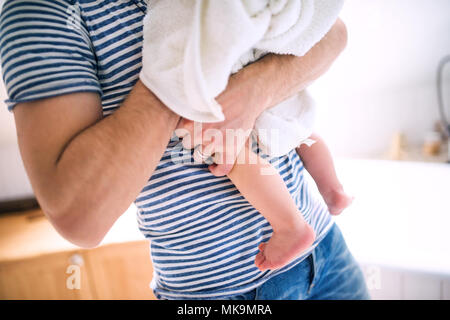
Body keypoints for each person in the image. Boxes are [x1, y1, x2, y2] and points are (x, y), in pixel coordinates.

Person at [0, 0, 369, 300]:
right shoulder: (41, 12)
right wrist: (184, 68)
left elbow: (329, 31)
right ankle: (312, 205)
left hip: (327, 250)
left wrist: (257, 89)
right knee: (264, 143)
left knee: (277, 136)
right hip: (218, 293)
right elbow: (80, 219)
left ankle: (305, 214)